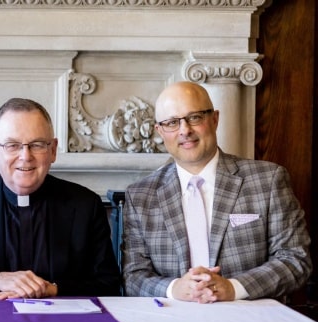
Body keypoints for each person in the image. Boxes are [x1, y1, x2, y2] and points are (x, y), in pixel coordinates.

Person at [122, 81, 311, 302]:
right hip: (173, 317)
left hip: (248, 316)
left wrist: (233, 288)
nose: (185, 130)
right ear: (160, 131)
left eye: (194, 117)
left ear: (214, 119)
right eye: (172, 123)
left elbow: (295, 259)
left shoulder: (268, 180)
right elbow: (133, 276)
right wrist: (174, 289)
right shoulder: (140, 196)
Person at [0, 98, 121, 298]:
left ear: (53, 150)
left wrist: (53, 289)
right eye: (12, 145)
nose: (26, 156)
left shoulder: (85, 205)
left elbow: (108, 284)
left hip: (59, 316)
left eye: (37, 145)